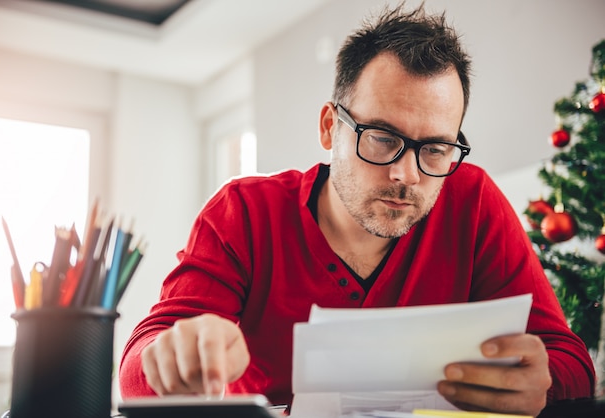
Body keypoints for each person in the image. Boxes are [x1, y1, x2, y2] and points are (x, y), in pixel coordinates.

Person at [119, 4, 595, 416]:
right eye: (383, 138)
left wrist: (543, 380)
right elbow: (139, 364)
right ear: (330, 128)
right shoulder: (244, 213)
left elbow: (572, 360)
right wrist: (169, 359)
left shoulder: (471, 201)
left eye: (435, 148)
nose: (406, 174)